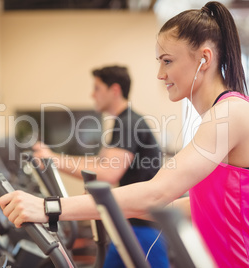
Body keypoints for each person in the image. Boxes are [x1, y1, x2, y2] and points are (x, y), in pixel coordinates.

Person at [0, 1, 249, 267]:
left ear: (204, 58)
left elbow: (157, 192)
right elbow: (195, 205)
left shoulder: (232, 114)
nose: (160, 74)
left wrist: (49, 207)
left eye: (167, 61)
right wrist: (107, 211)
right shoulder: (217, 117)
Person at [32, 65, 169, 267]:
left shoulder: (127, 123)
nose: (92, 94)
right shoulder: (123, 121)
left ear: (114, 90)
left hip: (144, 228)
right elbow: (99, 164)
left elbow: (108, 173)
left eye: (97, 88)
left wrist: (55, 160)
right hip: (132, 223)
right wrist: (53, 157)